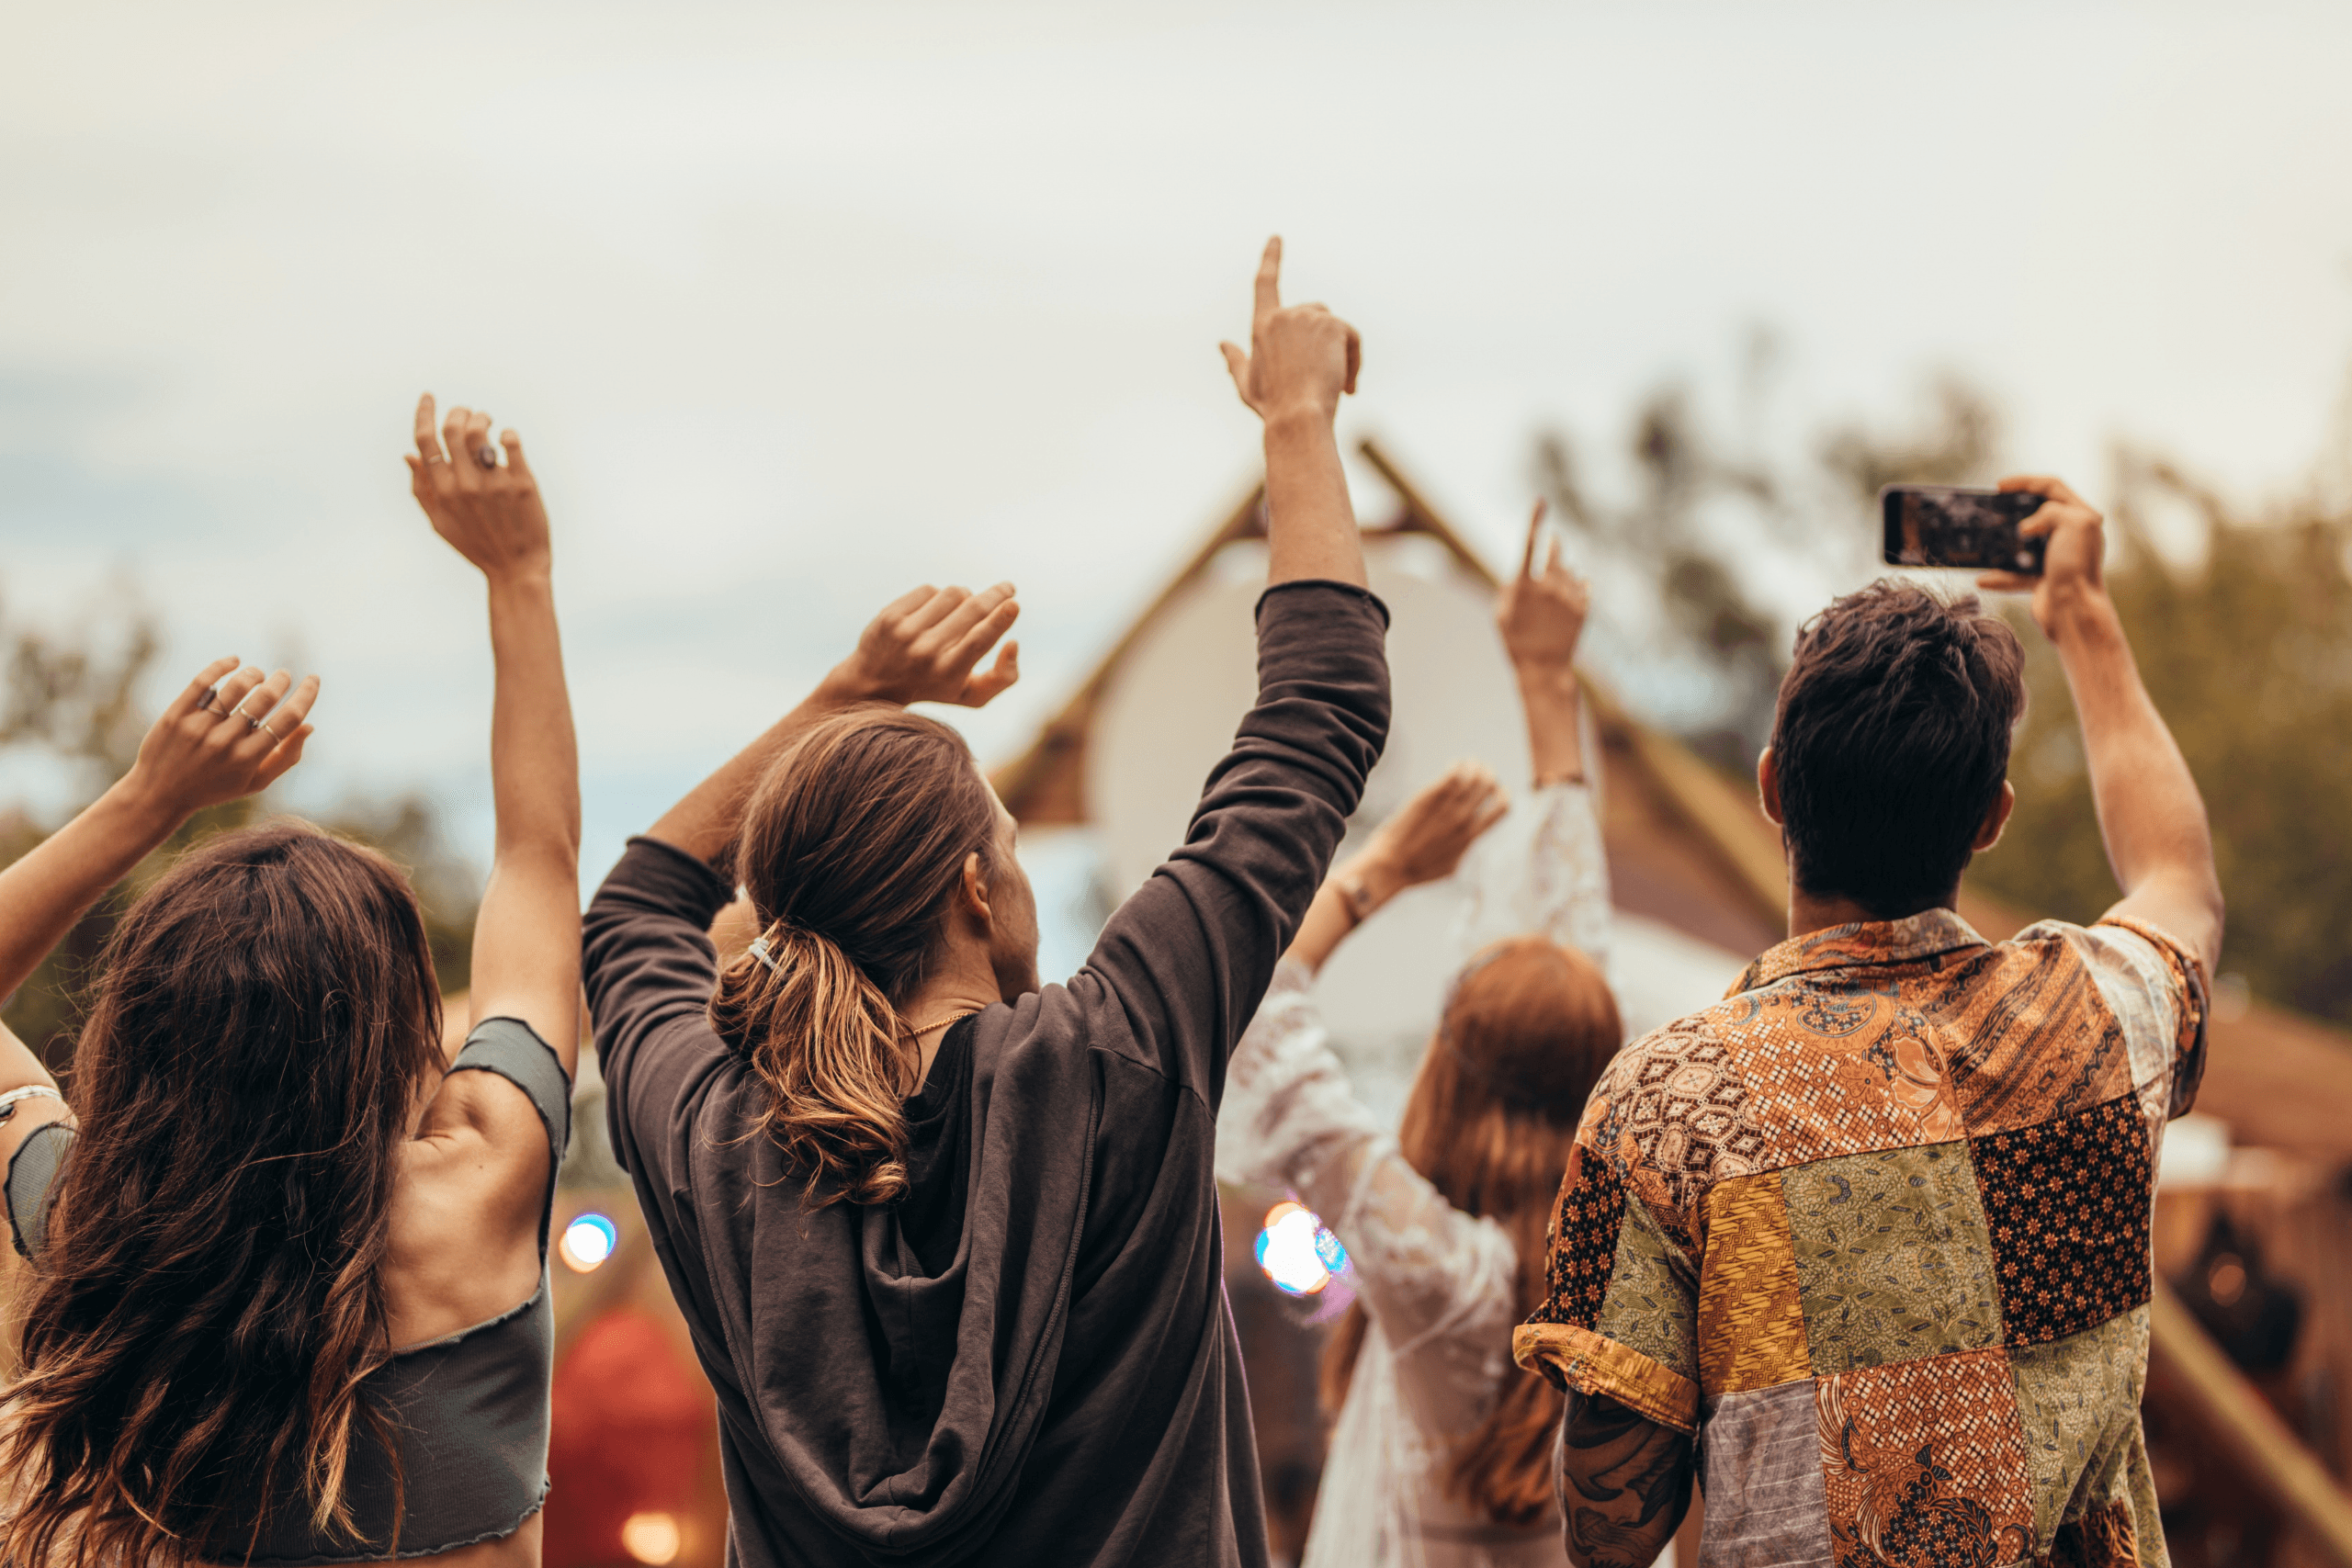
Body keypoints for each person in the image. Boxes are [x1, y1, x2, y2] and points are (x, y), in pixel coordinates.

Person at [580, 238, 1388, 1567]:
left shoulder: (718, 1133)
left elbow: (635, 907)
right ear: (975, 884)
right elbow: (1319, 711)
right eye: (1007, 843)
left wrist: (846, 693)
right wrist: (1297, 418)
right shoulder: (1110, 1054)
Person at [1514, 476, 2223, 1568]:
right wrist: (2078, 610)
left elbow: (1610, 1526)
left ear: (1771, 793)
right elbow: (2178, 875)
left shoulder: (1665, 1101)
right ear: (1990, 819)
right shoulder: (2097, 1019)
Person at [0, 396, 583, 1568]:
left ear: (149, 1039)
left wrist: (143, 805)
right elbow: (537, 859)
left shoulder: (88, 1226)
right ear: (395, 1035)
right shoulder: (483, 1181)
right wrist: (517, 575)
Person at [1216, 504, 1627, 1568]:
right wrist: (1545, 688)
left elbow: (1258, 1016)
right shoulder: (1623, 1267)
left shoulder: (1444, 1279)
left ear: (1449, 1069)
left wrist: (1378, 871)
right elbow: (1574, 965)